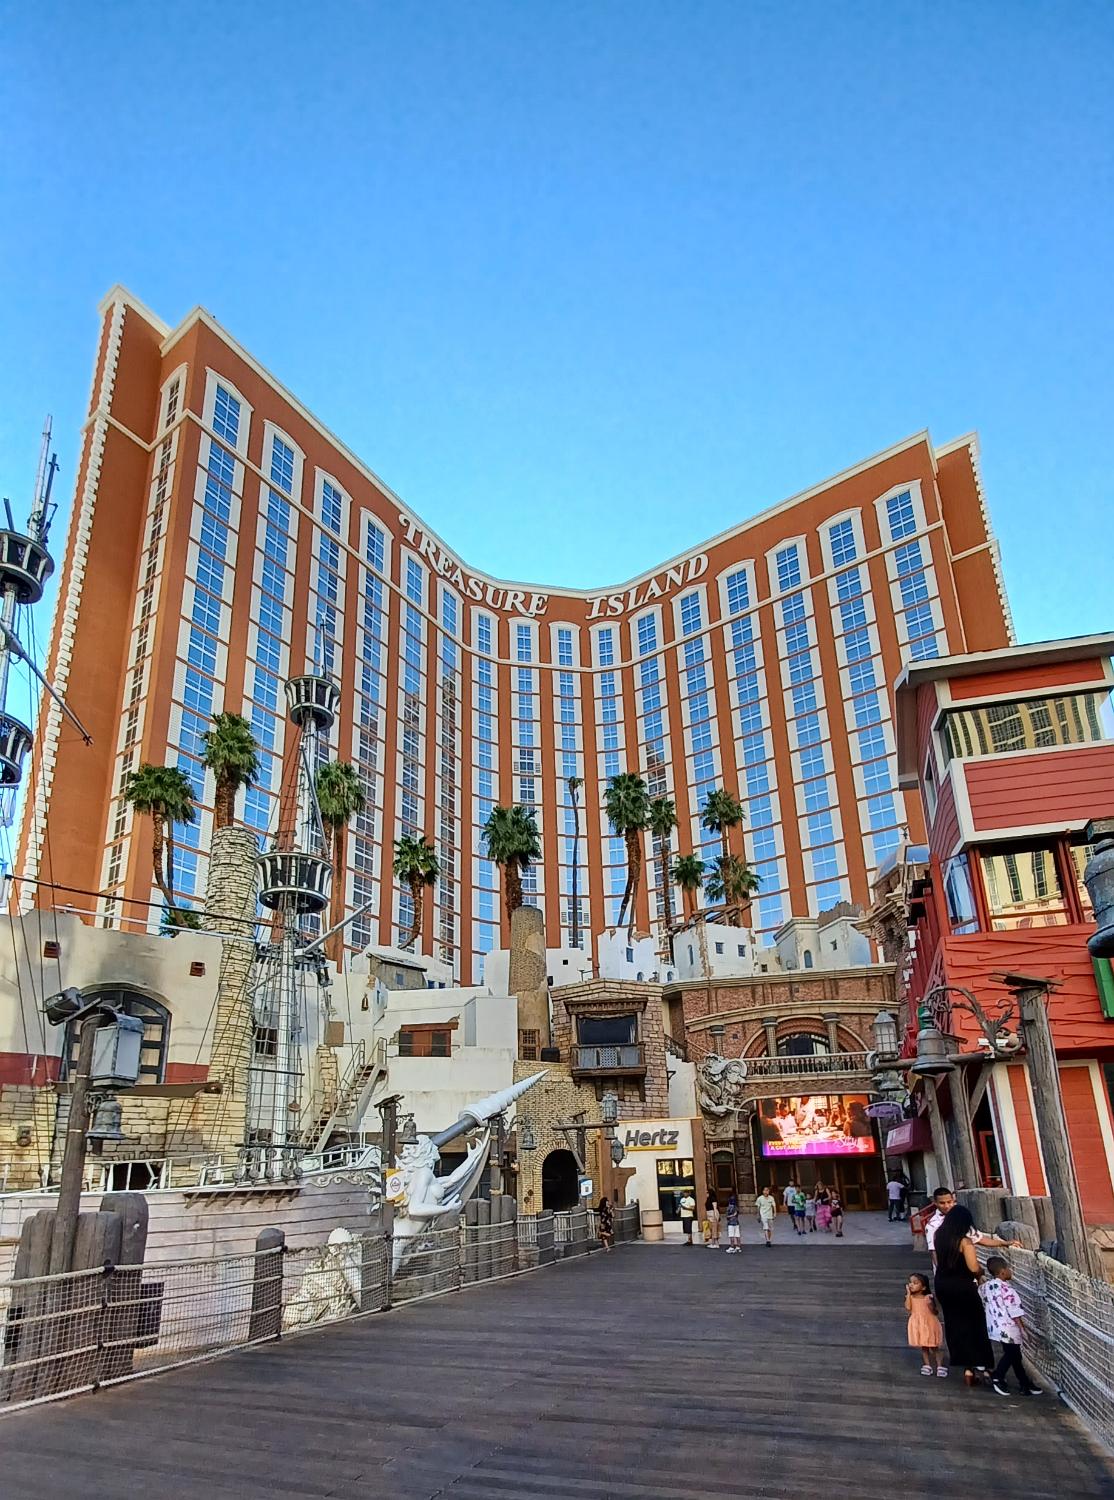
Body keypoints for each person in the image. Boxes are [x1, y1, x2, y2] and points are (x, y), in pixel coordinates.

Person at [933, 1205, 994, 1385]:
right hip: (962, 1285)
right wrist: (982, 1272)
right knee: (975, 1324)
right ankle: (983, 1364)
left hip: (942, 1284)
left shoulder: (938, 1236)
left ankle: (967, 1367)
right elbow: (973, 1267)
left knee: (955, 1324)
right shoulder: (964, 1242)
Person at [980, 1256, 1042, 1396]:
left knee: (1015, 1355)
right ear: (1003, 1272)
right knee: (1011, 1354)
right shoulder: (1008, 1290)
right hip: (1009, 1328)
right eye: (1008, 1268)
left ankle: (1024, 1383)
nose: (1011, 1271)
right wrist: (1022, 1329)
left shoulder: (987, 1286)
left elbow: (981, 1291)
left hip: (996, 1327)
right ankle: (997, 1376)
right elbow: (1014, 1312)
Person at [925, 1188, 1021, 1265]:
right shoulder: (932, 1225)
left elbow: (979, 1238)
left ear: (953, 1201)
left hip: (965, 1270)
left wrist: (1004, 1243)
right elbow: (934, 1252)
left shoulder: (960, 1218)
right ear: (935, 1203)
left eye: (949, 1202)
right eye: (942, 1203)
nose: (946, 1206)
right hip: (946, 1272)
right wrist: (941, 1274)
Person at [905, 1271, 946, 1377]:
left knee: (934, 1346)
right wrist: (908, 1294)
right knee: (924, 1346)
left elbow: (935, 1312)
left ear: (923, 1287)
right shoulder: (911, 1298)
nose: (911, 1285)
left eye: (915, 1283)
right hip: (919, 1325)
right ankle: (927, 1365)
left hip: (929, 1324)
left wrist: (931, 1305)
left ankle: (940, 1366)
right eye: (910, 1282)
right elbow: (908, 1307)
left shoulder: (928, 1297)